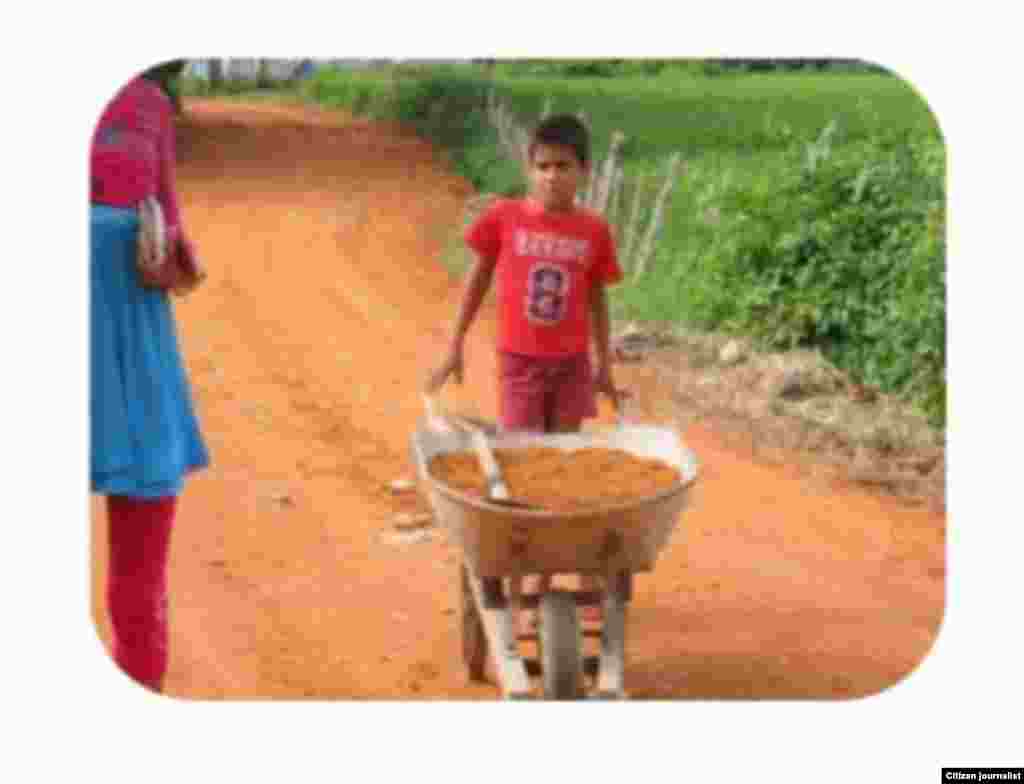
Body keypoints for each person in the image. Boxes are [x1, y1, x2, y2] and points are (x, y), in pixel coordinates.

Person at [426, 113, 625, 623]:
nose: (552, 176)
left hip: (572, 365)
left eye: (564, 166)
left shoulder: (593, 231)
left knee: (559, 467)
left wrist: (603, 364)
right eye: (543, 166)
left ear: (584, 171)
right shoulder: (504, 218)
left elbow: (598, 299)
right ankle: (514, 589)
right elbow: (476, 281)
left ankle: (540, 584)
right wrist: (454, 345)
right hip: (519, 363)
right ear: (529, 168)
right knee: (521, 469)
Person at [90, 62, 210, 692]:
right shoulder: (146, 104)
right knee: (139, 576)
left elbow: (173, 241)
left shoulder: (149, 104)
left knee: (138, 581)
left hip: (132, 341)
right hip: (130, 347)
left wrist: (166, 251)